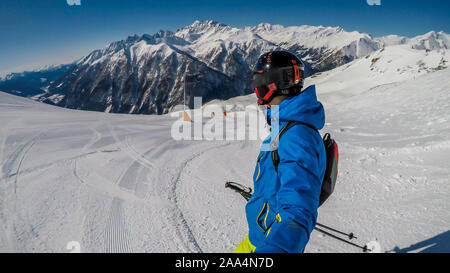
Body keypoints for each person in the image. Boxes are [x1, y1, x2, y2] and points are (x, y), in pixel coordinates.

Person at [234, 51, 327, 253]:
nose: (258, 95)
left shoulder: (297, 137)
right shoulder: (284, 127)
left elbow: (298, 211)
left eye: (260, 87)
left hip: (270, 242)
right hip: (258, 235)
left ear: (272, 86)